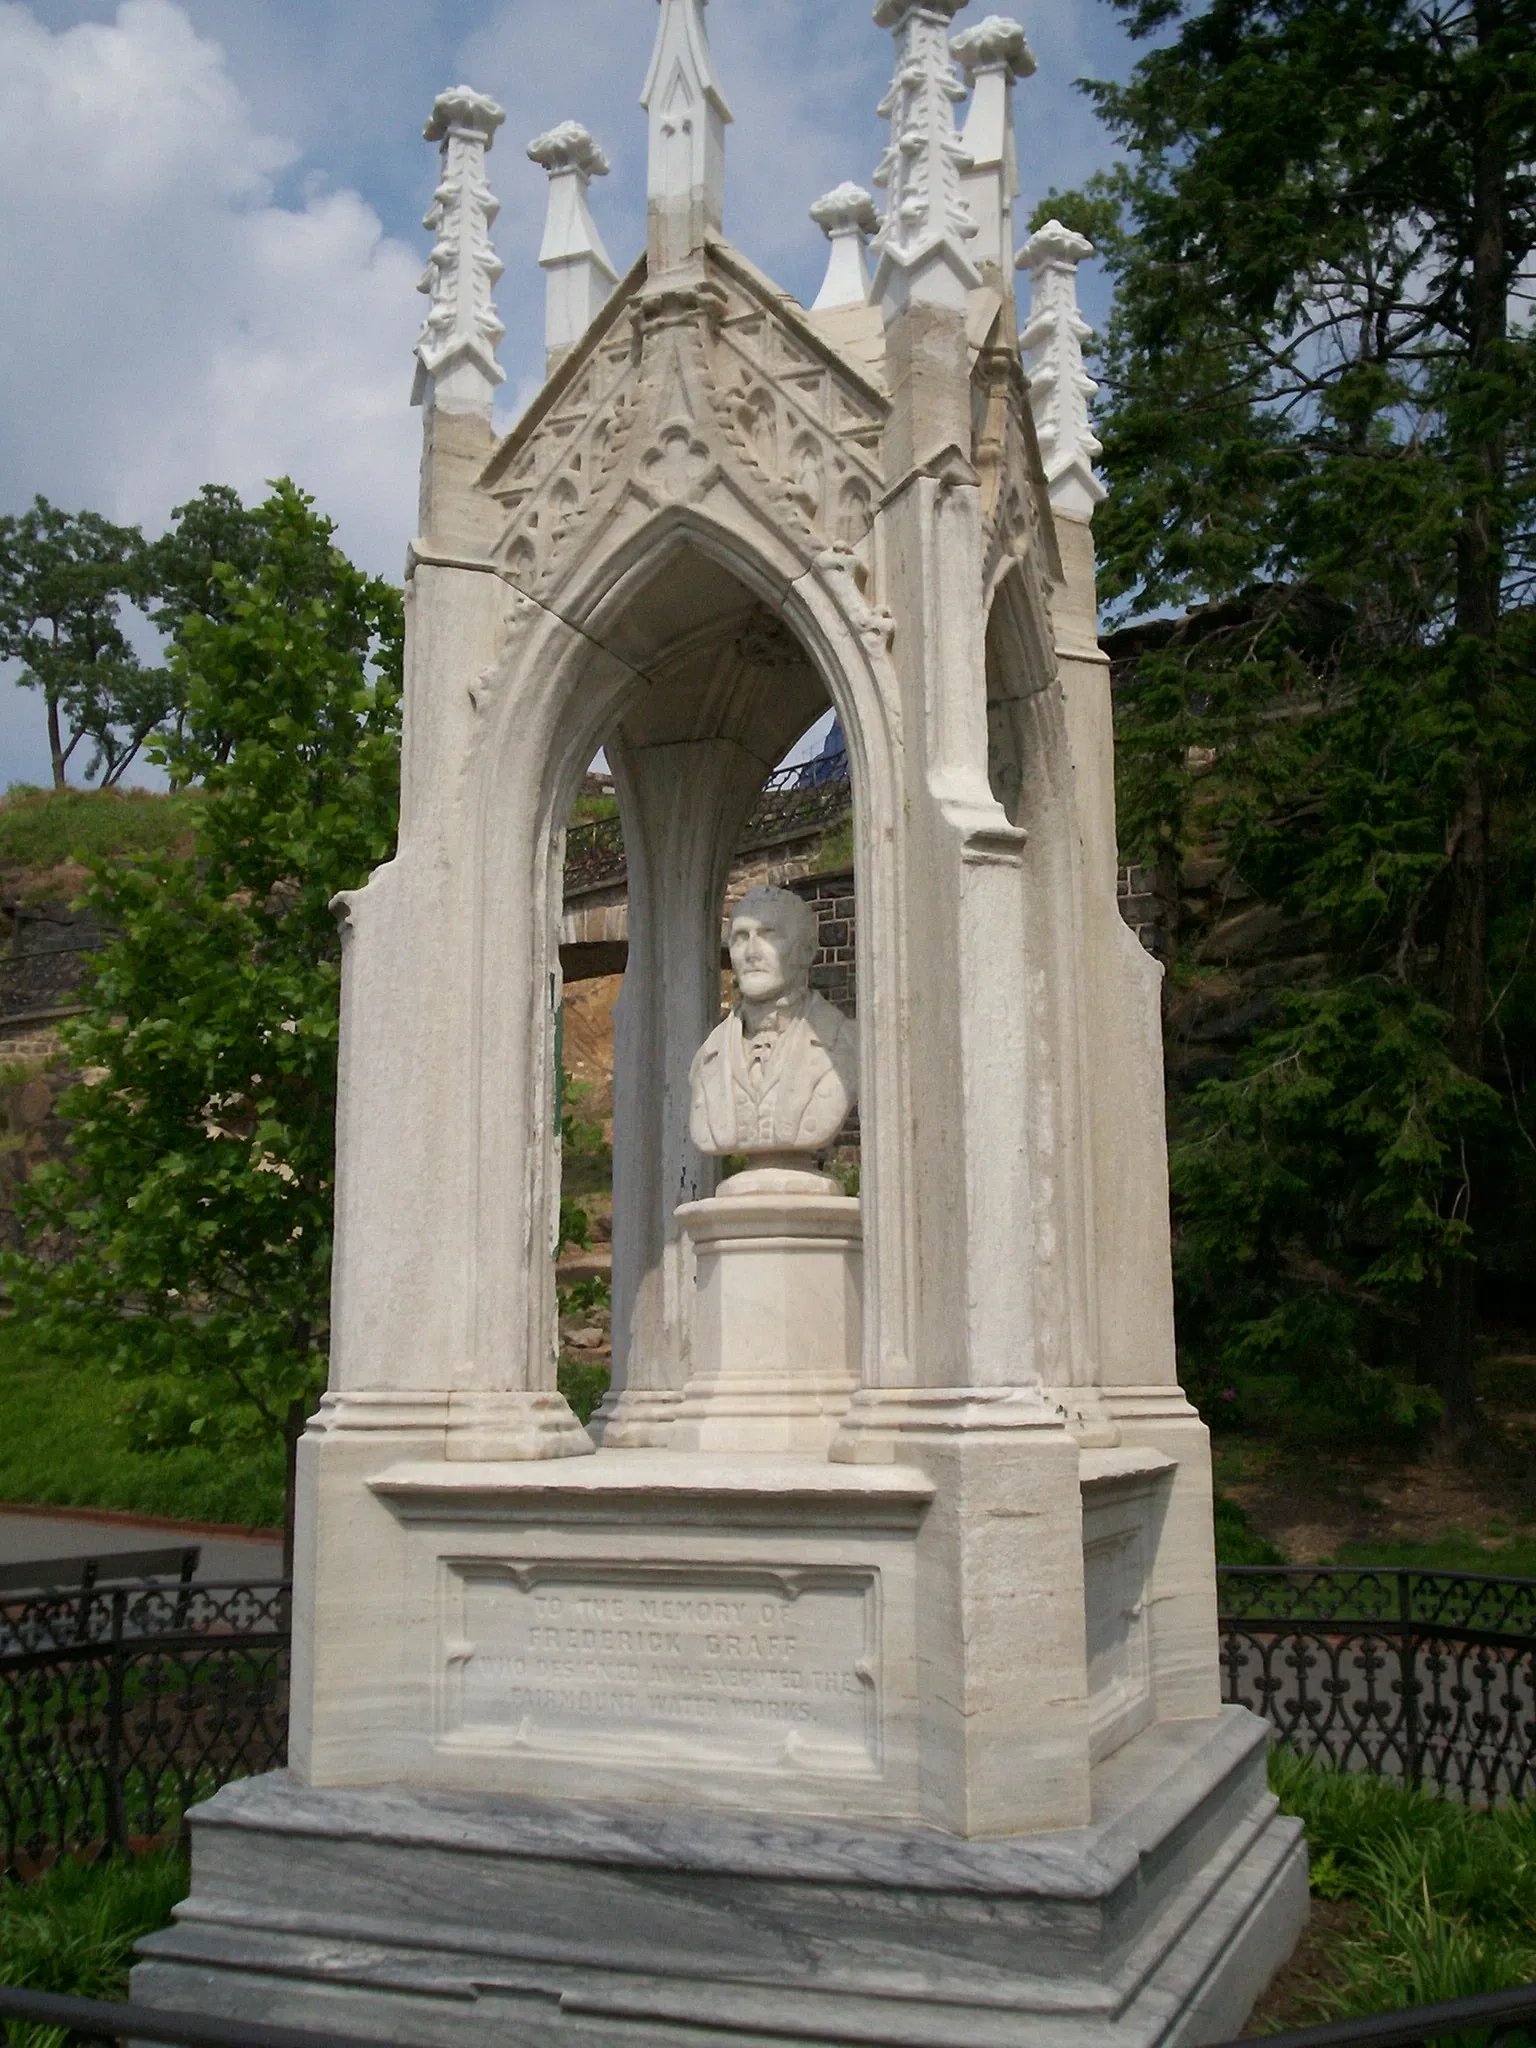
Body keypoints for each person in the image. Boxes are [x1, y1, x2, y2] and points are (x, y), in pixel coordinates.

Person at [689, 885, 857, 1159]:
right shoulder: (706, 1058)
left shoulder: (846, 1043)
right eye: (741, 938)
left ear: (806, 950)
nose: (751, 953)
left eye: (769, 935)